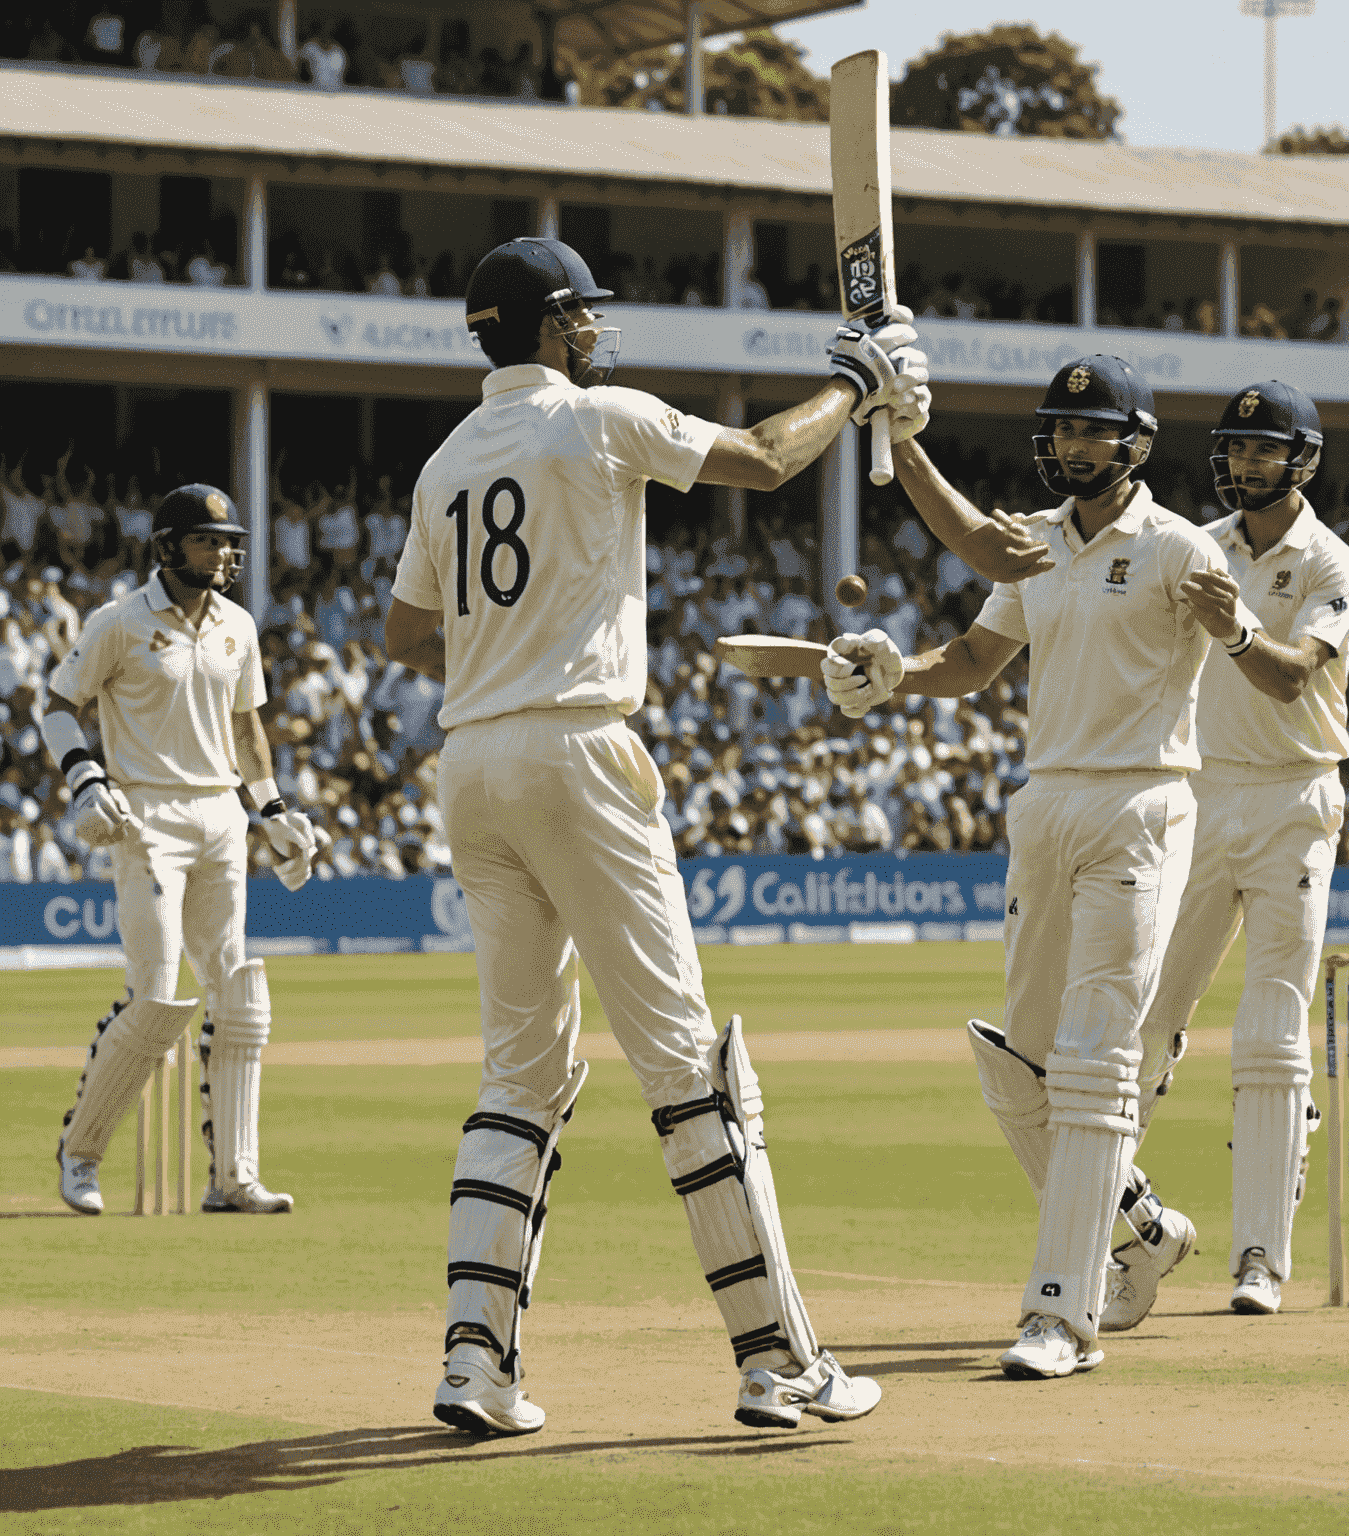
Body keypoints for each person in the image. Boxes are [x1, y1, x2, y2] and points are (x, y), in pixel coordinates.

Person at [383, 236, 930, 1437]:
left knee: (518, 1076)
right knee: (691, 1070)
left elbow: (405, 633)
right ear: (554, 323)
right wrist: (859, 378)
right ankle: (779, 1358)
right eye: (581, 318)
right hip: (578, 752)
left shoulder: (443, 464)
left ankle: (475, 1364)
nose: (593, 334)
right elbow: (766, 460)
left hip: (471, 763)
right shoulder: (596, 417)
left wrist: (506, 646)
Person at [822, 355, 1240, 1379]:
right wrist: (893, 677)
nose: (1069, 446)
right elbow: (967, 663)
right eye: (1060, 430)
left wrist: (900, 435)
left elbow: (1253, 655)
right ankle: (1141, 1227)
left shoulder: (1180, 548)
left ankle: (1063, 1311)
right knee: (1019, 1066)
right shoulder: (1038, 547)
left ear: (1136, 444)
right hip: (1046, 800)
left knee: (1096, 1056)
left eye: (1090, 431)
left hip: (1142, 800)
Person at [1110, 381, 1349, 1326]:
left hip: (1294, 800)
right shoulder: (1198, 546)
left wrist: (1235, 626)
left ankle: (1259, 1255)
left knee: (1268, 1032)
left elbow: (1293, 680)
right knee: (1143, 1019)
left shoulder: (1334, 563)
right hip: (1198, 797)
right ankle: (1112, 1231)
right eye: (1238, 448)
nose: (1247, 464)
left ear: (1301, 459)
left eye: (1266, 450)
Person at [44, 486, 323, 1217]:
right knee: (160, 997)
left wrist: (274, 811)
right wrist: (84, 780)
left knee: (238, 993)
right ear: (168, 547)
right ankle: (81, 1154)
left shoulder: (237, 625)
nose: (226, 553)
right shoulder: (119, 622)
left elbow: (247, 733)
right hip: (147, 815)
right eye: (209, 540)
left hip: (220, 816)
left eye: (229, 541)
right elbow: (58, 704)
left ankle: (234, 1178)